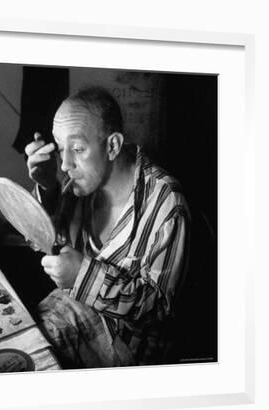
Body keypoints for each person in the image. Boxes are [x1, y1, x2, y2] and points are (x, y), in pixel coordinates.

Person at [25, 86, 190, 368]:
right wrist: (48, 188)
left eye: (77, 148)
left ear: (112, 145)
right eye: (60, 147)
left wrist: (83, 276)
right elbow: (47, 240)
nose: (65, 164)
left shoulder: (166, 204)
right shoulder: (81, 183)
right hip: (74, 310)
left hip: (132, 351)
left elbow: (160, 310)